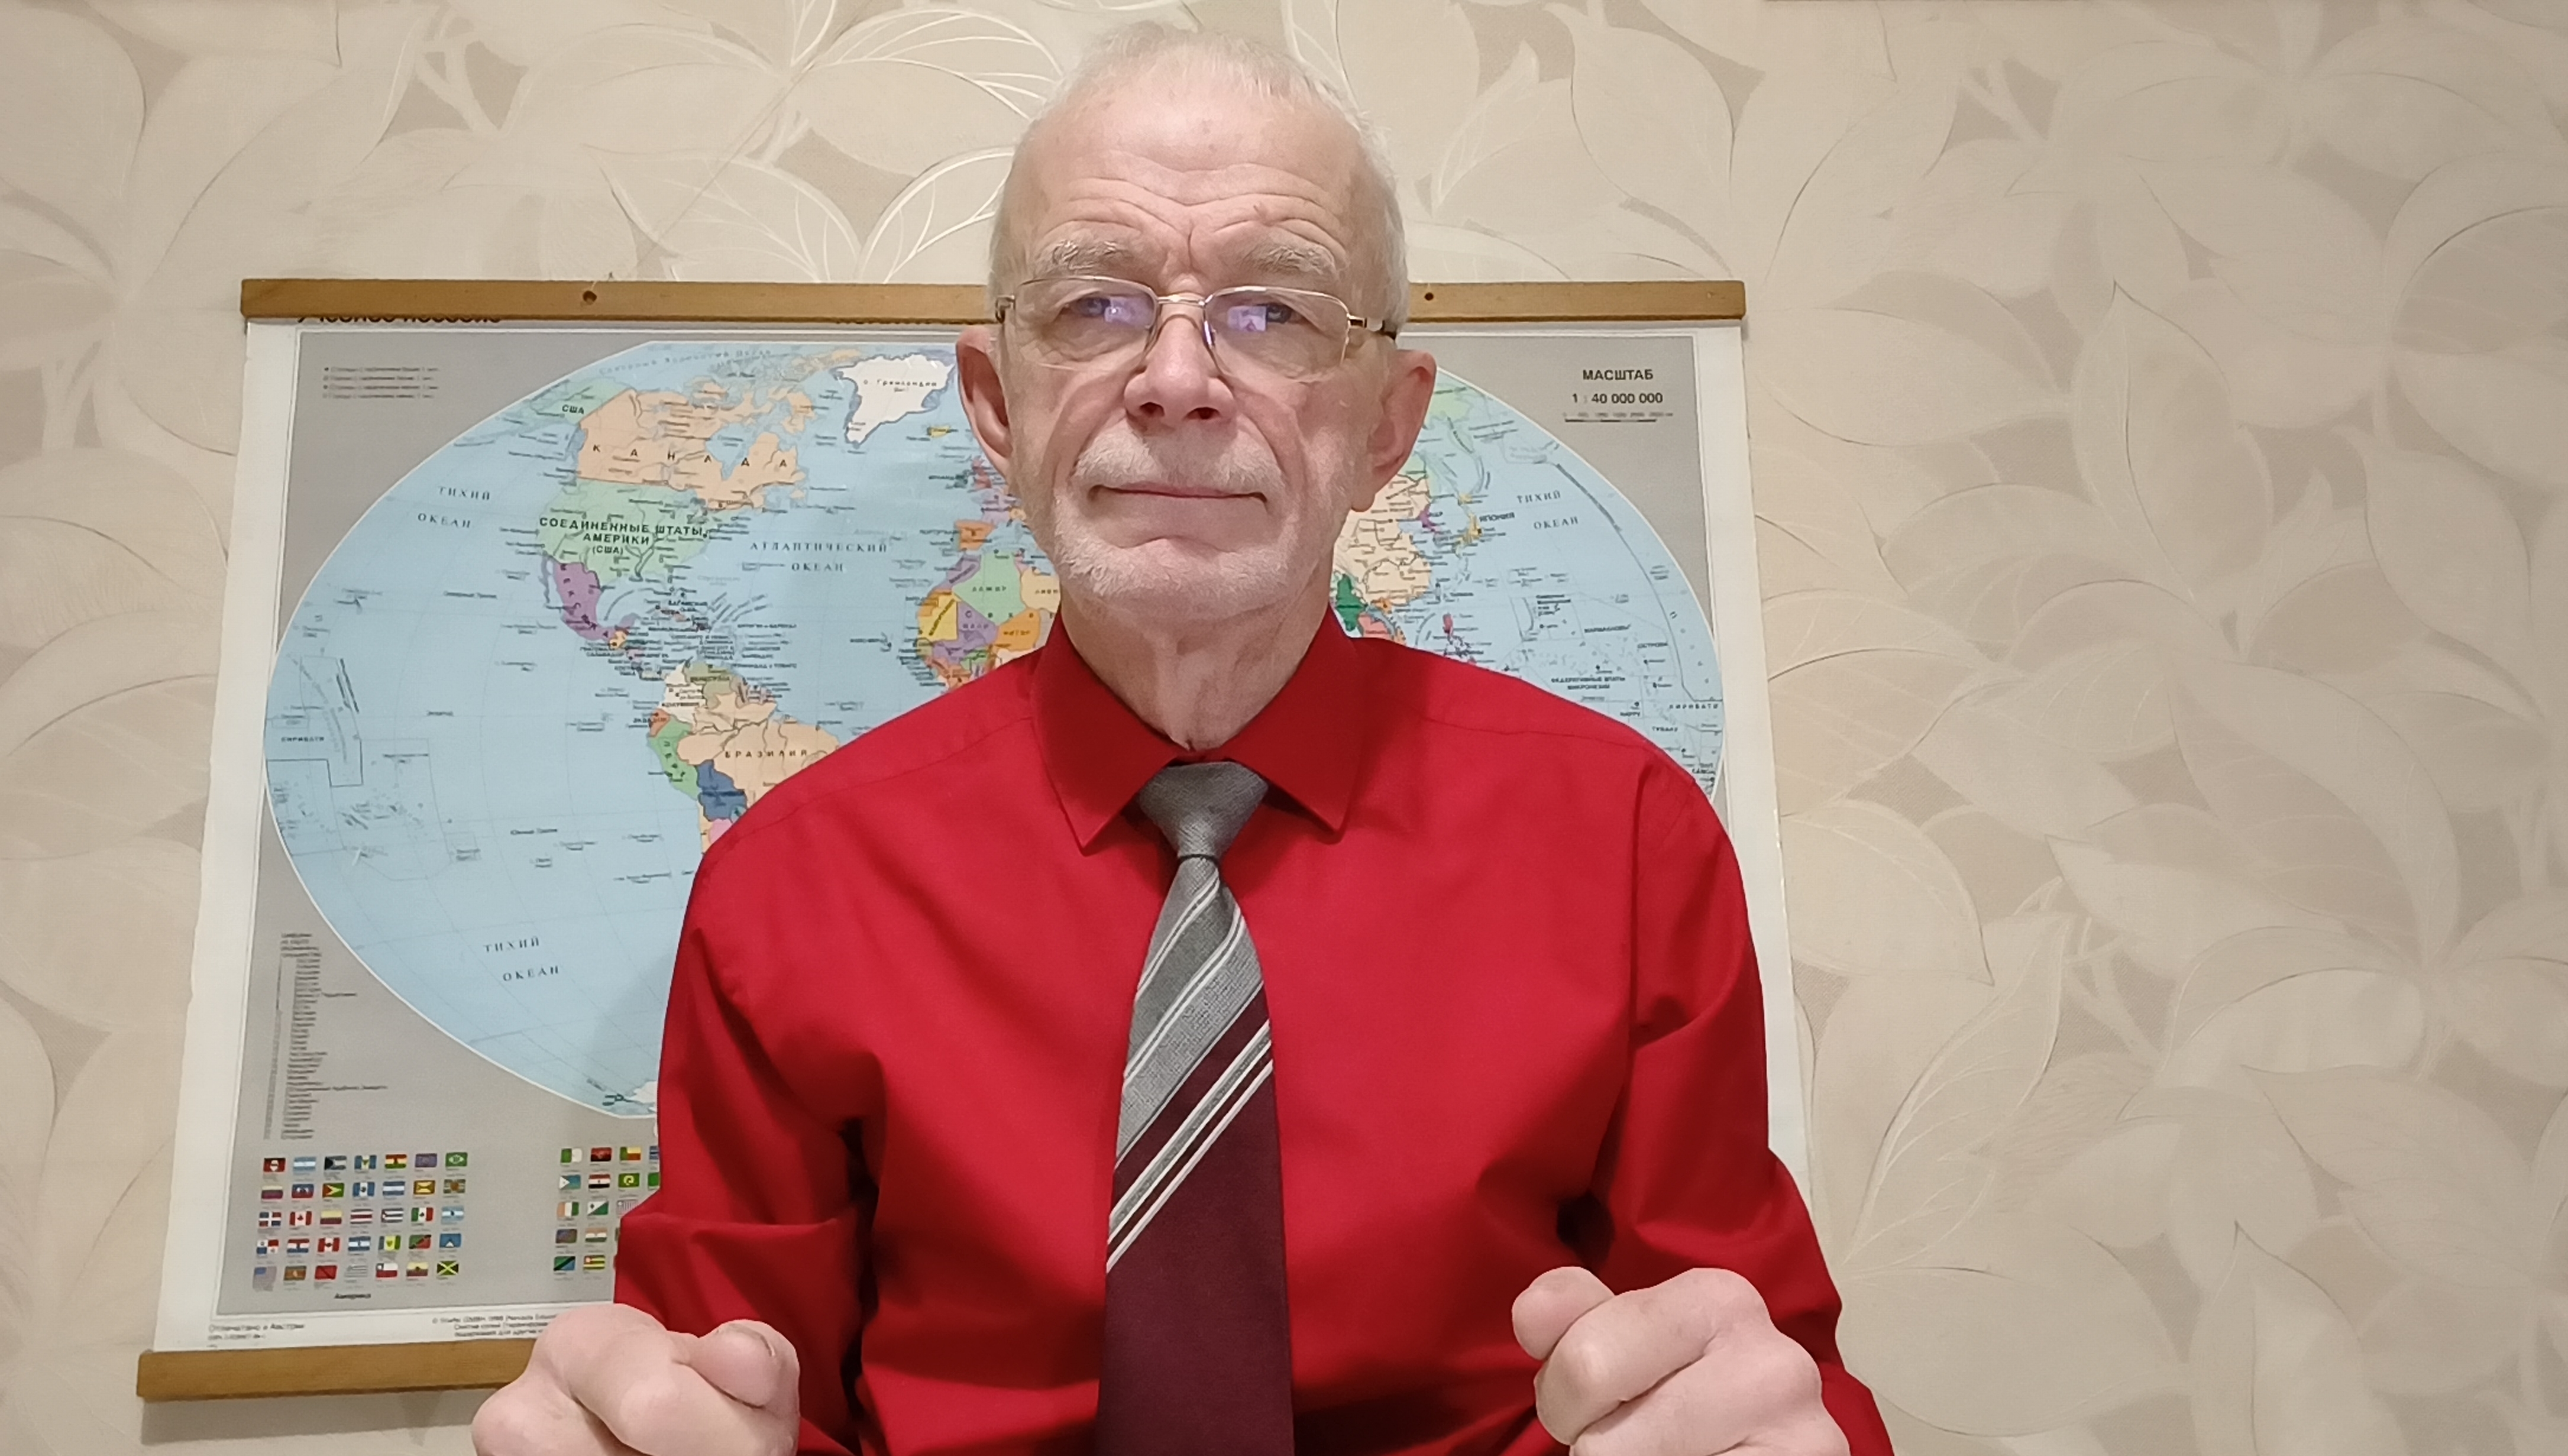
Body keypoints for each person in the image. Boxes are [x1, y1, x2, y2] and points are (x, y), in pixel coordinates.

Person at [473, 25, 1887, 1456]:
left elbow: (1756, 1369)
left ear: (1387, 427)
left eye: (1276, 311)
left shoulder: (1624, 842)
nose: (1175, 379)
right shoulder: (790, 884)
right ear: (995, 405)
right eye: (1091, 304)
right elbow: (718, 1392)